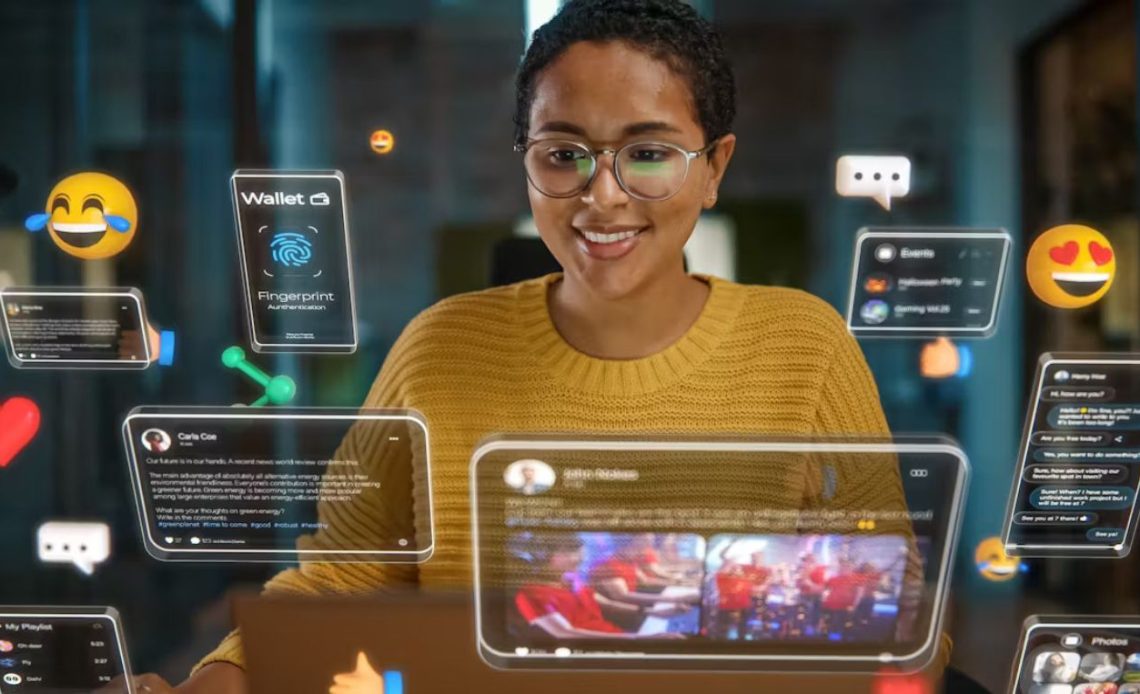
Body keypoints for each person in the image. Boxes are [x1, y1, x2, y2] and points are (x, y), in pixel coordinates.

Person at [143, 1, 919, 690]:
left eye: (648, 154)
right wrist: (216, 681)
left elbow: (895, 600)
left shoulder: (803, 345)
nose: (603, 194)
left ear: (713, 168)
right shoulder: (437, 348)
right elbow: (345, 579)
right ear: (527, 162)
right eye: (562, 153)